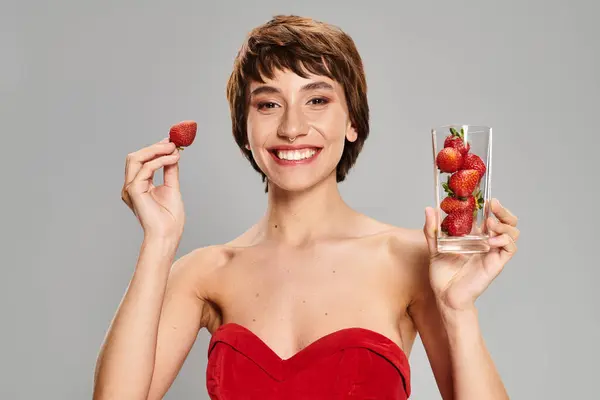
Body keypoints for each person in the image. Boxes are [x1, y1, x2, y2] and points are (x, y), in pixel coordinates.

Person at [93, 15, 520, 400]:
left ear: (353, 121)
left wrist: (458, 311)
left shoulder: (413, 261)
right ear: (244, 130)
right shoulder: (203, 273)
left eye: (317, 100)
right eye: (267, 104)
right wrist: (159, 240)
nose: (292, 128)